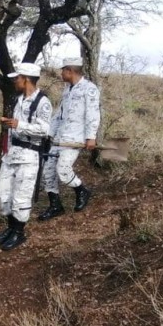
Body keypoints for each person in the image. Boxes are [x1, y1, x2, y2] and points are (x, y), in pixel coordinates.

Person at [0, 63, 53, 250]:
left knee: (21, 196)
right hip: (12, 154)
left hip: (29, 155)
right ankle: (10, 227)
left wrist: (19, 124)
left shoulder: (42, 102)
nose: (14, 81)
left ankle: (18, 232)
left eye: (17, 78)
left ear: (26, 78)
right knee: (3, 195)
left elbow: (44, 129)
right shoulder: (19, 99)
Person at [37, 57, 100, 221]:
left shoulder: (89, 89)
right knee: (47, 171)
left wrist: (90, 137)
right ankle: (55, 205)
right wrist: (49, 134)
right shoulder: (67, 89)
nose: (61, 73)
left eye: (63, 70)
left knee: (63, 170)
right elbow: (59, 114)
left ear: (70, 71)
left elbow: (93, 115)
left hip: (74, 138)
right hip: (59, 138)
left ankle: (82, 191)